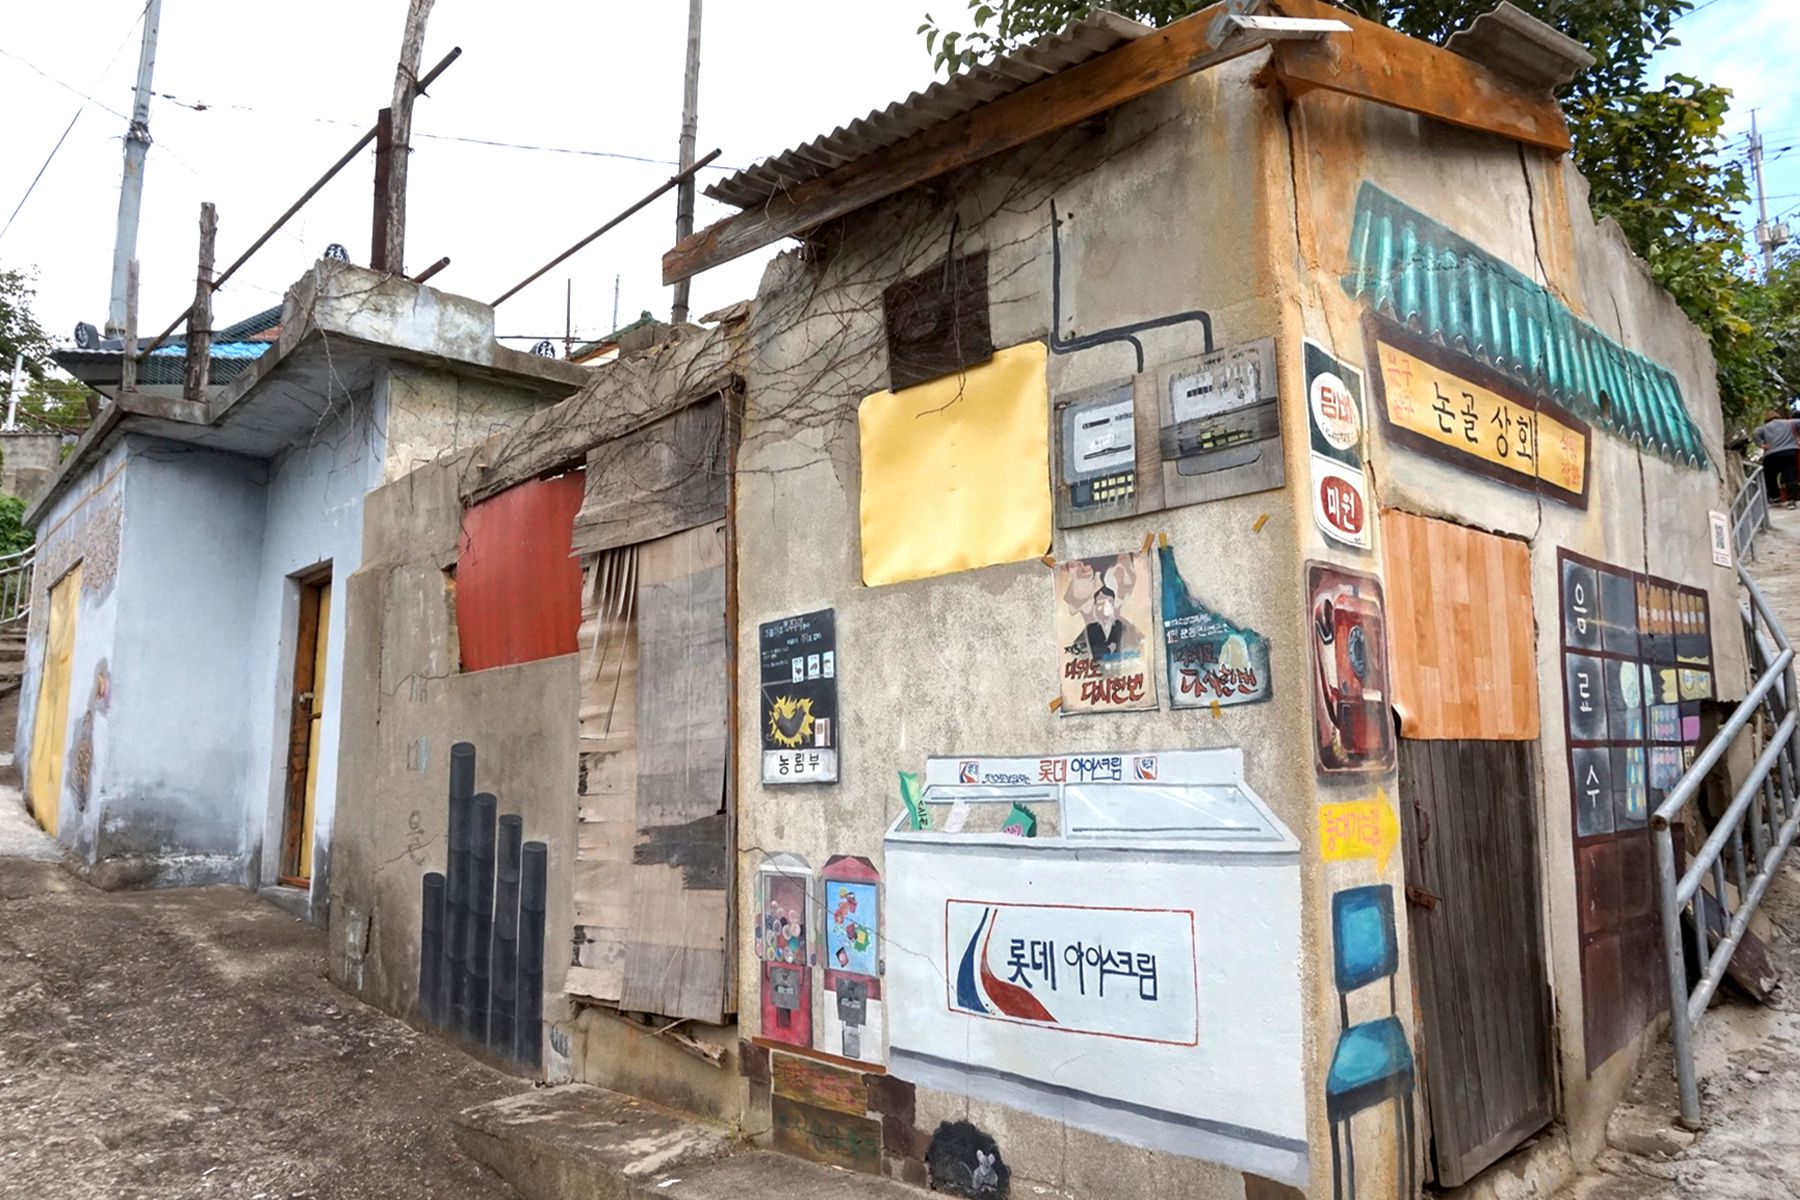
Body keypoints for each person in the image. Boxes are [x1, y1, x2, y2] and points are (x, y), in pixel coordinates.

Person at [1754, 409, 1800, 508]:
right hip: (1789, 452)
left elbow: (1756, 432)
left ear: (1767, 419)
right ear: (1778, 417)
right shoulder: (1790, 423)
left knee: (1770, 477)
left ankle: (1776, 498)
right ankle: (1791, 501)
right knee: (1790, 476)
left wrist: (1761, 445)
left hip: (1771, 455)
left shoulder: (1764, 427)